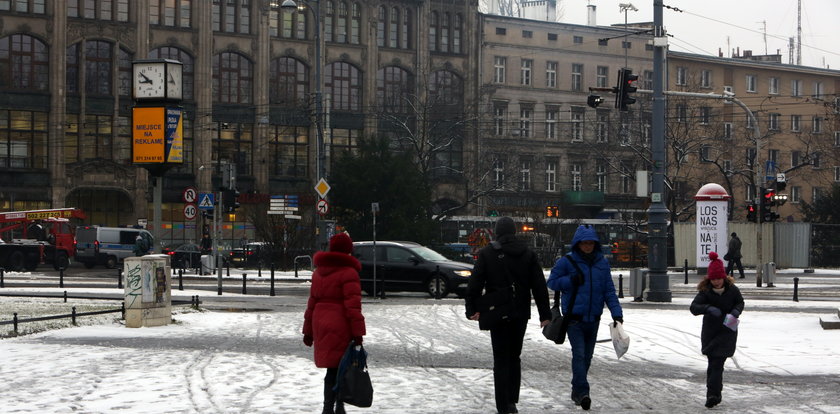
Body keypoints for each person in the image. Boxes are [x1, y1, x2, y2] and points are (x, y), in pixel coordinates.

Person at [465, 217, 551, 414]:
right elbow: (539, 286)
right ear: (514, 232)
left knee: (500, 358)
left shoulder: (487, 254)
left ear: (497, 232)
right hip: (520, 313)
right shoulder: (528, 254)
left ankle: (503, 405)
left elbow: (475, 283)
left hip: (498, 312)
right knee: (515, 356)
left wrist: (472, 309)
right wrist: (544, 314)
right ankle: (512, 399)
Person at [546, 224, 623, 411]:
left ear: (595, 244)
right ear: (578, 244)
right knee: (579, 355)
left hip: (593, 318)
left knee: (587, 357)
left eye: (591, 243)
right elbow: (552, 282)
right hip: (574, 319)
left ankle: (576, 389)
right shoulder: (567, 262)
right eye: (584, 243)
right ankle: (582, 392)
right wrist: (570, 281)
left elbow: (609, 290)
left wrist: (616, 313)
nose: (588, 246)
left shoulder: (602, 263)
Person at [303, 233, 366, 414]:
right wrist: (358, 334)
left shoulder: (318, 273)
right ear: (348, 250)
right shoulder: (349, 273)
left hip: (320, 323)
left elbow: (312, 303)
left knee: (332, 368)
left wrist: (308, 331)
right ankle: (337, 407)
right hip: (340, 324)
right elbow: (353, 307)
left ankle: (329, 407)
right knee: (341, 368)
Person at [690, 251, 745, 409]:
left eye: (719, 278)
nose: (716, 282)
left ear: (724, 277)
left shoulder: (732, 290)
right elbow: (694, 307)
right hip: (711, 332)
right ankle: (714, 394)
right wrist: (707, 308)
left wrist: (736, 311)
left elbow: (740, 302)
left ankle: (713, 395)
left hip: (727, 331)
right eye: (713, 279)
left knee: (717, 363)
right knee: (713, 363)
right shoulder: (705, 291)